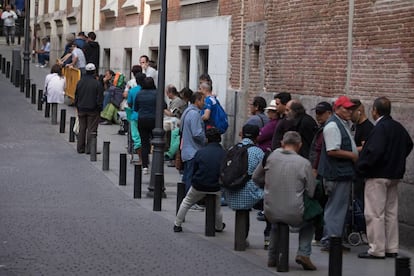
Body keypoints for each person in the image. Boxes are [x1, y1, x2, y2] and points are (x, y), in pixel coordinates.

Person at [356, 97, 413, 259]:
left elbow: (374, 151)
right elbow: (409, 144)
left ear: (375, 110)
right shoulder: (397, 127)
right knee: (390, 212)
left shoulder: (380, 128)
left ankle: (376, 249)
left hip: (377, 175)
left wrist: (362, 167)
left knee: (375, 213)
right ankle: (391, 247)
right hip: (394, 175)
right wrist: (397, 159)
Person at [253, 131, 318, 270]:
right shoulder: (304, 163)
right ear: (299, 145)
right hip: (295, 212)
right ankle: (303, 253)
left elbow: (256, 178)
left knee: (277, 223)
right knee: (310, 221)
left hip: (270, 210)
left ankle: (272, 256)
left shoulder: (270, 157)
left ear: (282, 143)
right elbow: (311, 192)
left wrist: (269, 183)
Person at [317, 96, 358, 252]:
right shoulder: (333, 126)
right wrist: (353, 155)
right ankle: (330, 240)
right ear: (337, 109)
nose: (349, 111)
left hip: (341, 173)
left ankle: (334, 239)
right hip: (336, 174)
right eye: (346, 108)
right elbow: (332, 150)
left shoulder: (341, 123)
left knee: (338, 207)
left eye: (350, 108)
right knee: (335, 208)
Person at [174, 127, 226, 233]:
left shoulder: (200, 152)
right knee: (217, 207)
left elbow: (194, 169)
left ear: (207, 139)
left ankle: (177, 224)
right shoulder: (223, 153)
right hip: (215, 185)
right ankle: (218, 226)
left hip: (199, 184)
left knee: (187, 201)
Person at [224, 124, 264, 246]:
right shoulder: (258, 152)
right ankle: (268, 238)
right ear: (257, 137)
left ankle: (242, 238)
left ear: (242, 134)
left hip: (230, 192)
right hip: (250, 196)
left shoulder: (232, 149)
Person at [308, 101, 333, 245]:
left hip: (321, 171)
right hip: (319, 169)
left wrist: (315, 169)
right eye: (316, 112)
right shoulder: (323, 128)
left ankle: (320, 235)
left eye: (321, 113)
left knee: (321, 203)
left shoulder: (327, 129)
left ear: (329, 113)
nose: (317, 116)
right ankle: (319, 235)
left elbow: (319, 151)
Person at [74, 63, 104, 154]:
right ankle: (90, 149)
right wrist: (99, 108)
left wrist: (77, 105)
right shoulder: (97, 83)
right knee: (92, 129)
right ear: (94, 71)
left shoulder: (80, 82)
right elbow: (99, 98)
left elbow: (76, 95)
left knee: (82, 128)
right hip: (93, 109)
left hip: (81, 108)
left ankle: (80, 148)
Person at [180, 92, 206, 193]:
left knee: (187, 175)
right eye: (203, 100)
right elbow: (197, 133)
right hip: (193, 151)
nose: (204, 103)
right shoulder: (195, 114)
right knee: (190, 177)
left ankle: (184, 198)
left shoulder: (187, 111)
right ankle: (189, 200)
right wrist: (205, 139)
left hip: (187, 150)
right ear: (197, 101)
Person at [134, 77, 158, 175]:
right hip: (154, 120)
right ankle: (157, 163)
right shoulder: (157, 94)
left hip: (142, 120)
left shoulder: (139, 94)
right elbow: (163, 105)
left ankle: (145, 166)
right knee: (157, 142)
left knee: (144, 143)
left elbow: (135, 108)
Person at [126, 72, 146, 164]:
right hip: (146, 116)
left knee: (136, 138)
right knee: (145, 138)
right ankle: (146, 159)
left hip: (135, 116)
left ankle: (141, 159)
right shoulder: (148, 90)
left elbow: (129, 104)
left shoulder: (132, 91)